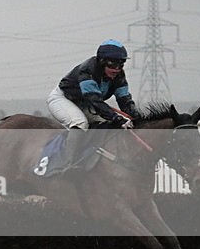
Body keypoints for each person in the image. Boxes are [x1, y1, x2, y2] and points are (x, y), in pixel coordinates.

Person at [46, 38, 139, 171]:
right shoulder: (88, 70)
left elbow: (125, 101)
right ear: (101, 62)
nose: (116, 69)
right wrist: (116, 117)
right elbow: (94, 100)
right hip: (63, 99)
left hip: (85, 103)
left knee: (106, 124)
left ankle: (91, 160)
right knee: (80, 123)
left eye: (120, 65)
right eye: (112, 65)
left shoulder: (119, 76)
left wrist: (136, 118)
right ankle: (68, 164)